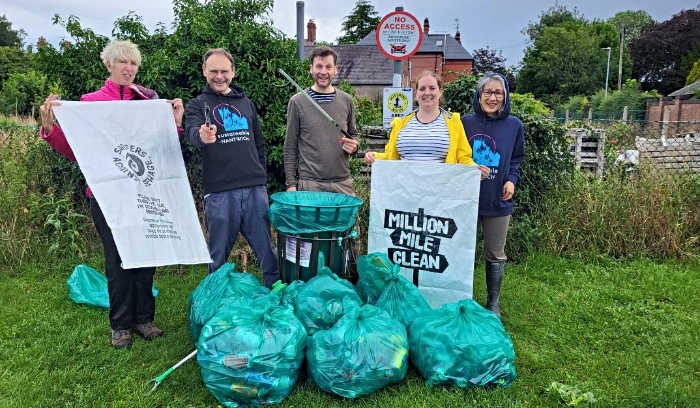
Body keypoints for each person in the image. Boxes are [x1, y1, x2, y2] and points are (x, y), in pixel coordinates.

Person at [39, 40, 183, 348]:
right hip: (107, 195)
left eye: (133, 64)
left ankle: (143, 318)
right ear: (109, 65)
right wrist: (50, 128)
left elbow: (161, 148)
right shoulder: (90, 103)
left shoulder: (149, 101)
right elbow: (78, 151)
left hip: (144, 192)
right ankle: (120, 325)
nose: (129, 68)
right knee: (117, 260)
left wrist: (175, 124)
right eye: (123, 62)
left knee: (146, 256)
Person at [184, 48, 279, 288]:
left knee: (268, 252)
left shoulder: (246, 104)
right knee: (217, 255)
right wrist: (202, 135)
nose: (219, 76)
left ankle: (276, 296)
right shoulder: (197, 104)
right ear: (204, 71)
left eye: (224, 71)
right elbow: (192, 133)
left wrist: (261, 175)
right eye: (213, 71)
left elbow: (259, 144)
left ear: (233, 72)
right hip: (219, 191)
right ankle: (213, 300)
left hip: (254, 188)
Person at [460, 72, 526, 318]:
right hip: (466, 199)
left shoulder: (514, 126)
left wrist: (511, 179)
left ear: (505, 96)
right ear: (479, 95)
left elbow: (517, 158)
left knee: (495, 253)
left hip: (498, 199)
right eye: (487, 92)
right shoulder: (465, 122)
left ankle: (493, 303)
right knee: (462, 250)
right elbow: (454, 156)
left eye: (498, 92)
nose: (492, 97)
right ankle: (460, 298)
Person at [364, 71, 487, 174]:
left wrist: (475, 170)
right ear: (416, 93)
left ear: (440, 91)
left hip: (440, 192)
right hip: (404, 192)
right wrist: (374, 156)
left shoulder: (453, 123)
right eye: (422, 89)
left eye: (432, 88)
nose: (427, 93)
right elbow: (390, 156)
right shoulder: (401, 123)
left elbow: (463, 157)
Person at [284, 46, 359, 195]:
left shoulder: (346, 100)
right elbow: (290, 146)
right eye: (318, 66)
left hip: (343, 184)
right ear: (311, 68)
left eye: (328, 67)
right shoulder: (297, 102)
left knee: (347, 220)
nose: (323, 72)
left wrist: (355, 146)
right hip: (311, 185)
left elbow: (353, 134)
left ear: (335, 69)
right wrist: (291, 184)